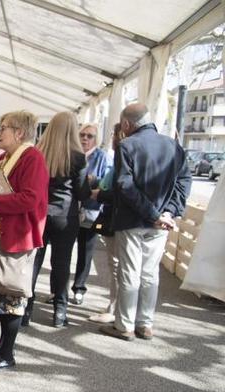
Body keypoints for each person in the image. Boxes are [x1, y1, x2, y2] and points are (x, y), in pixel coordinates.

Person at [99, 103, 191, 341]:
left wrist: (153, 213)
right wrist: (169, 212)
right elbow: (184, 181)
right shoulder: (173, 145)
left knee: (129, 272)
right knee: (150, 273)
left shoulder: (127, 146)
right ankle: (145, 323)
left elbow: (124, 185)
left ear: (127, 124)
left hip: (133, 219)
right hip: (160, 221)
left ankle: (125, 325)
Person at [0, 111, 49, 373]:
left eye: (3, 128)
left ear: (19, 132)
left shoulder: (32, 159)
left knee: (12, 297)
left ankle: (7, 353)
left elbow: (31, 199)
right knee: (2, 293)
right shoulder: (5, 158)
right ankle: (2, 346)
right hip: (3, 233)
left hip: (18, 236)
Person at [28, 111, 88, 328]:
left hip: (40, 214)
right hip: (65, 215)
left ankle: (25, 309)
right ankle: (60, 312)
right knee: (61, 264)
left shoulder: (37, 153)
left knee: (34, 261)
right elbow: (82, 193)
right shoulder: (78, 157)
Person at [71, 124, 111, 305]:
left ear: (97, 139)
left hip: (91, 211)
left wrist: (94, 180)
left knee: (85, 252)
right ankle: (59, 290)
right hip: (70, 210)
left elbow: (107, 183)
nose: (85, 138)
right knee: (63, 252)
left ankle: (79, 288)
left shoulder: (102, 157)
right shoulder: (72, 154)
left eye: (90, 136)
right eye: (82, 135)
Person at [87, 124, 123, 324]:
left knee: (117, 266)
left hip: (117, 219)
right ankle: (123, 311)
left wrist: (99, 192)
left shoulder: (121, 157)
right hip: (120, 217)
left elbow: (116, 189)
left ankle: (115, 309)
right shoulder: (118, 158)